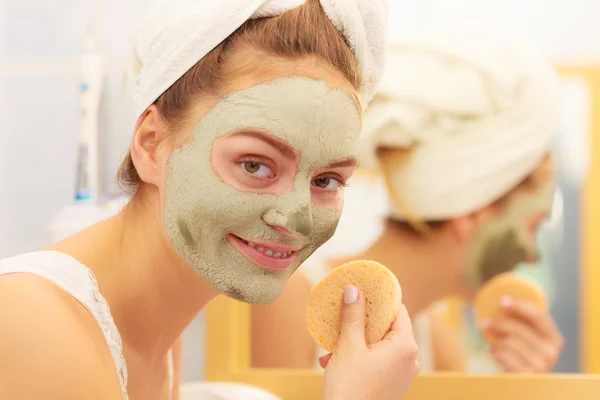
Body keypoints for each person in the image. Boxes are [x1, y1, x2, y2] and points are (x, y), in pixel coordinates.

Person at [0, 1, 421, 400]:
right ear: (150, 144)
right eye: (255, 165)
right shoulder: (30, 321)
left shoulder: (156, 331)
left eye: (326, 180)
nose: (296, 217)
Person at [251, 26, 565, 373]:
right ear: (474, 213)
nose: (533, 253)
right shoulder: (290, 299)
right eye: (533, 226)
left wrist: (520, 387)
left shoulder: (434, 338)